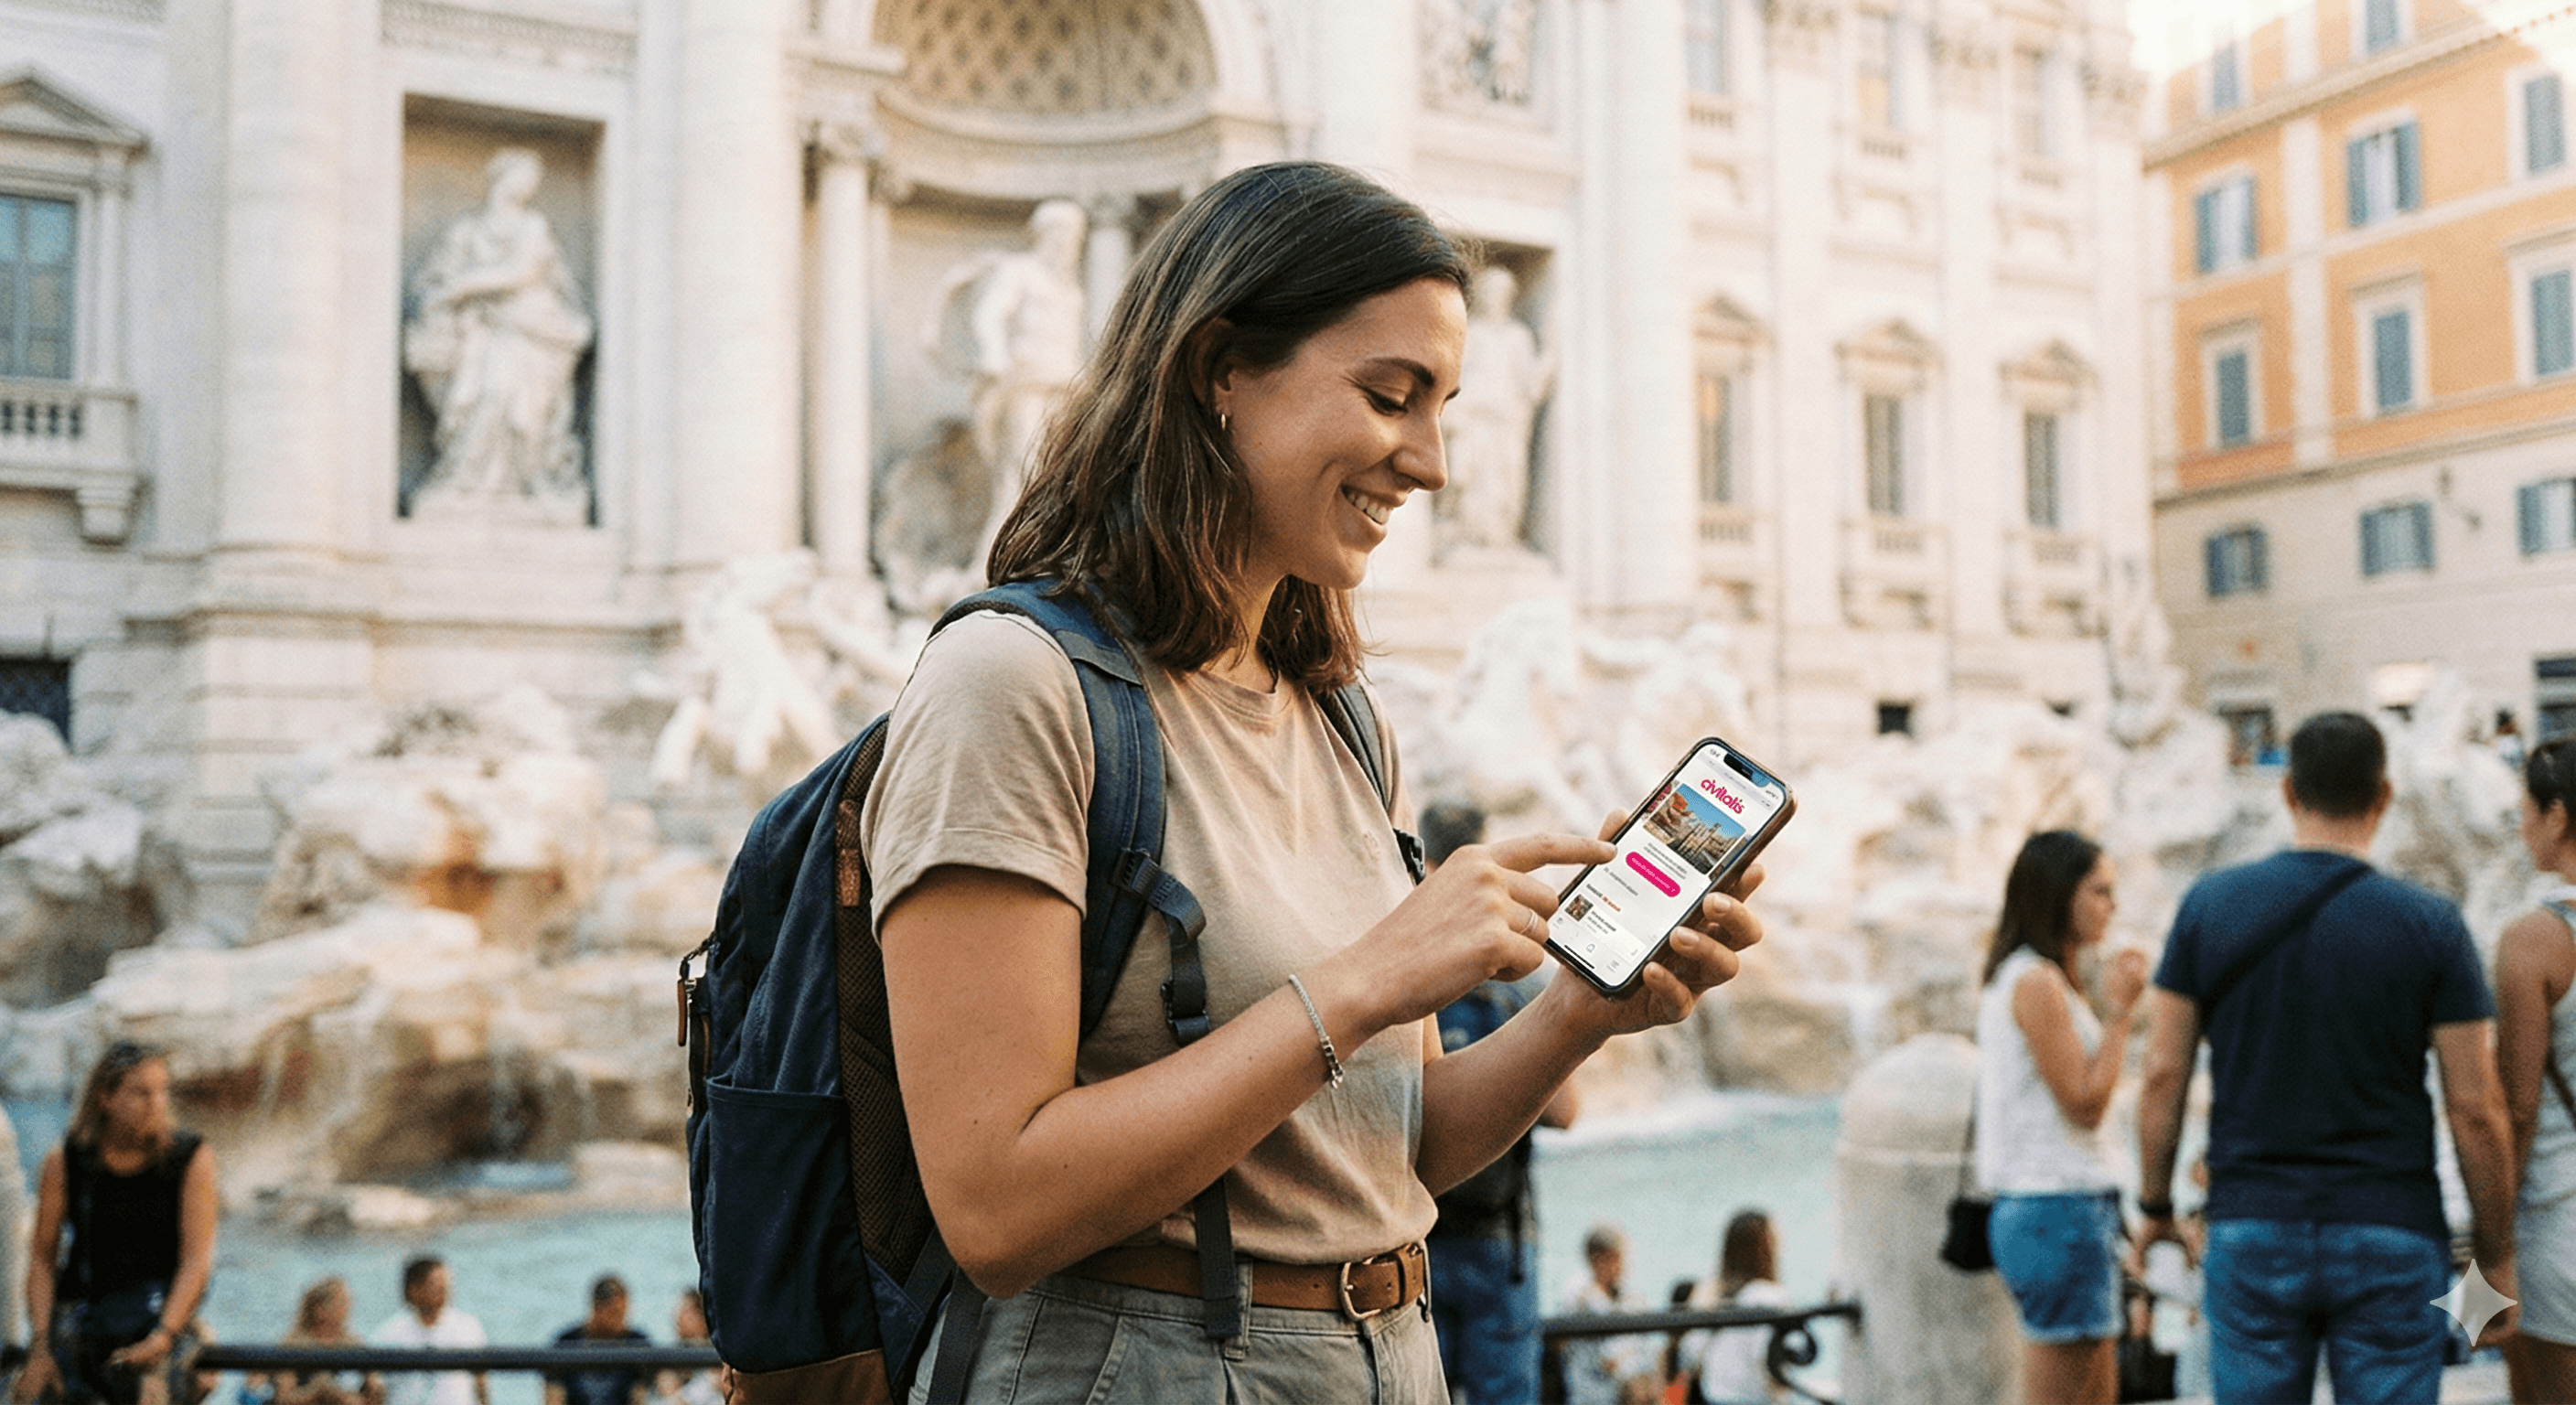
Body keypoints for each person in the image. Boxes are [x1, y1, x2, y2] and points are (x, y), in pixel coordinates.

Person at [866, 160, 1765, 1401]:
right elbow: (995, 1207)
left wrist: (1576, 1016)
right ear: (1219, 370)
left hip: (1387, 1357)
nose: (1433, 463)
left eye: (1444, 408)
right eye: (1391, 397)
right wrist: (1371, 977)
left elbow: (1384, 1154)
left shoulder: (1341, 717)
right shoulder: (1010, 685)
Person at [2138, 712, 2519, 1404]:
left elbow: (2163, 1073)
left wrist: (2157, 1207)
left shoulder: (2207, 907)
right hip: (2391, 1224)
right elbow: (2474, 1106)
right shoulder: (2432, 923)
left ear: (2288, 792)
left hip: (2251, 1222)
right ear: (2384, 796)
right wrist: (2496, 1257)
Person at [1971, 830, 2142, 1405]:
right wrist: (2120, 1015)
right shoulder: (2036, 981)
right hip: (2056, 1207)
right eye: (2100, 891)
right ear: (2059, 893)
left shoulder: (2035, 976)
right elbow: (2084, 1103)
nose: (2112, 905)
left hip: (2061, 1208)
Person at [1422, 800, 1581, 1405]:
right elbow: (1565, 1112)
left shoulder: (1409, 970)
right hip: (1501, 1240)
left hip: (1416, 1237)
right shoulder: (1517, 980)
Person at [18, 1041, 217, 1405]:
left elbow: (196, 1260)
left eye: (161, 1091)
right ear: (105, 1098)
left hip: (159, 1314)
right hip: (83, 1311)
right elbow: (42, 1258)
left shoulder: (190, 1158)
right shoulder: (66, 1161)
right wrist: (40, 1345)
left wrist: (164, 1335)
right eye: (141, 1093)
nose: (157, 1104)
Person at [2497, 736, 2576, 1403]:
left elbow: (2517, 1110)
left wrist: (2488, 1246)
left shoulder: (2535, 939)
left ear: (2557, 815)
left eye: (2525, 809)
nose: (2521, 826)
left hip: (2558, 1228)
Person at [1675, 1210, 1786, 1405]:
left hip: (1715, 1396)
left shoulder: (1711, 1293)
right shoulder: (1769, 1296)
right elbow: (1772, 1363)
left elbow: (1689, 1353)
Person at [1555, 1224, 1660, 1405]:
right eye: (1618, 1258)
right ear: (1599, 1259)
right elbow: (1609, 1359)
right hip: (1591, 1396)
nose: (1623, 1267)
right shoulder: (1578, 1298)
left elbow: (1643, 1349)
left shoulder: (1632, 1298)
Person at [371, 1258, 485, 1405]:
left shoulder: (468, 1327)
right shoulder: (388, 1334)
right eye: (436, 1286)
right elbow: (375, 1390)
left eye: (445, 1287)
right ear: (414, 1290)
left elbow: (481, 1384)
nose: (443, 1292)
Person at [256, 1278, 381, 1405]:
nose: (348, 1308)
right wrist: (317, 1390)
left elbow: (374, 1392)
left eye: (348, 1302)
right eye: (341, 1302)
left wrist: (335, 1393)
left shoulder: (354, 1345)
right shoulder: (294, 1345)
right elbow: (284, 1398)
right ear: (319, 1310)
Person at [542, 1275, 649, 1405]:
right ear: (597, 1307)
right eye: (614, 1313)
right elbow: (553, 1395)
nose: (622, 1321)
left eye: (624, 1313)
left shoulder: (637, 1344)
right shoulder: (566, 1344)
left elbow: (643, 1393)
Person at [642, 1292, 720, 1405]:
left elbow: (717, 1382)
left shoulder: (717, 1351)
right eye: (679, 1311)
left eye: (686, 1311)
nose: (678, 1317)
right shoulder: (672, 1353)